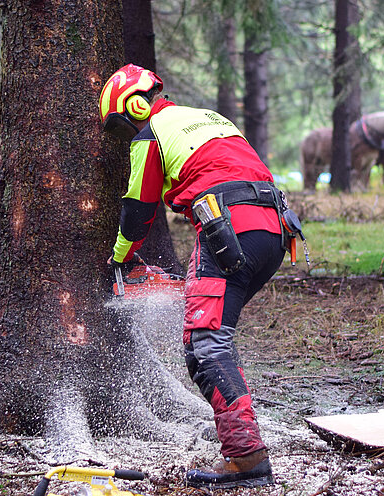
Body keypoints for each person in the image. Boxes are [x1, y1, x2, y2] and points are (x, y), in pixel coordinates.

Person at [99, 63, 292, 489]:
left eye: (119, 127)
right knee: (215, 332)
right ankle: (243, 443)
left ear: (132, 104)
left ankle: (246, 457)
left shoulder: (150, 133)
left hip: (229, 226)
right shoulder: (206, 118)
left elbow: (138, 209)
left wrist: (120, 259)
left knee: (205, 344)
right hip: (275, 229)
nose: (124, 136)